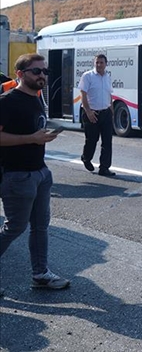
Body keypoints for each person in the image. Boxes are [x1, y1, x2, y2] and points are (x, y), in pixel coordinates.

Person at [0, 53, 70, 290]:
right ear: (20, 74)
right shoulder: (7, 101)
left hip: (40, 173)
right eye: (37, 71)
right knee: (15, 227)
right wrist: (31, 138)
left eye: (45, 72)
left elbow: (34, 130)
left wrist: (45, 136)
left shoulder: (37, 98)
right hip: (17, 176)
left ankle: (40, 274)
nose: (43, 76)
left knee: (40, 227)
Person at [79, 54, 115, 176]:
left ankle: (104, 167)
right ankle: (86, 158)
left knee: (107, 141)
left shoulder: (107, 77)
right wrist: (88, 112)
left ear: (106, 64)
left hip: (105, 113)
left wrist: (112, 110)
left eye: (101, 62)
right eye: (97, 62)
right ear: (94, 63)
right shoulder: (87, 76)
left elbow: (109, 94)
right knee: (92, 140)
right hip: (92, 112)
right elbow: (83, 95)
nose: (99, 65)